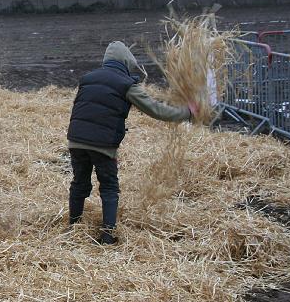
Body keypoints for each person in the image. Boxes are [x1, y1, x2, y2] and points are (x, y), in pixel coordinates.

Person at [66, 41, 196, 245]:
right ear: (126, 62)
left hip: (76, 140)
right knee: (109, 186)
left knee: (79, 183)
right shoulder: (126, 84)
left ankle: (73, 227)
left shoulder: (87, 78)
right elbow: (156, 110)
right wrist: (187, 112)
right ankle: (108, 235)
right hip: (103, 143)